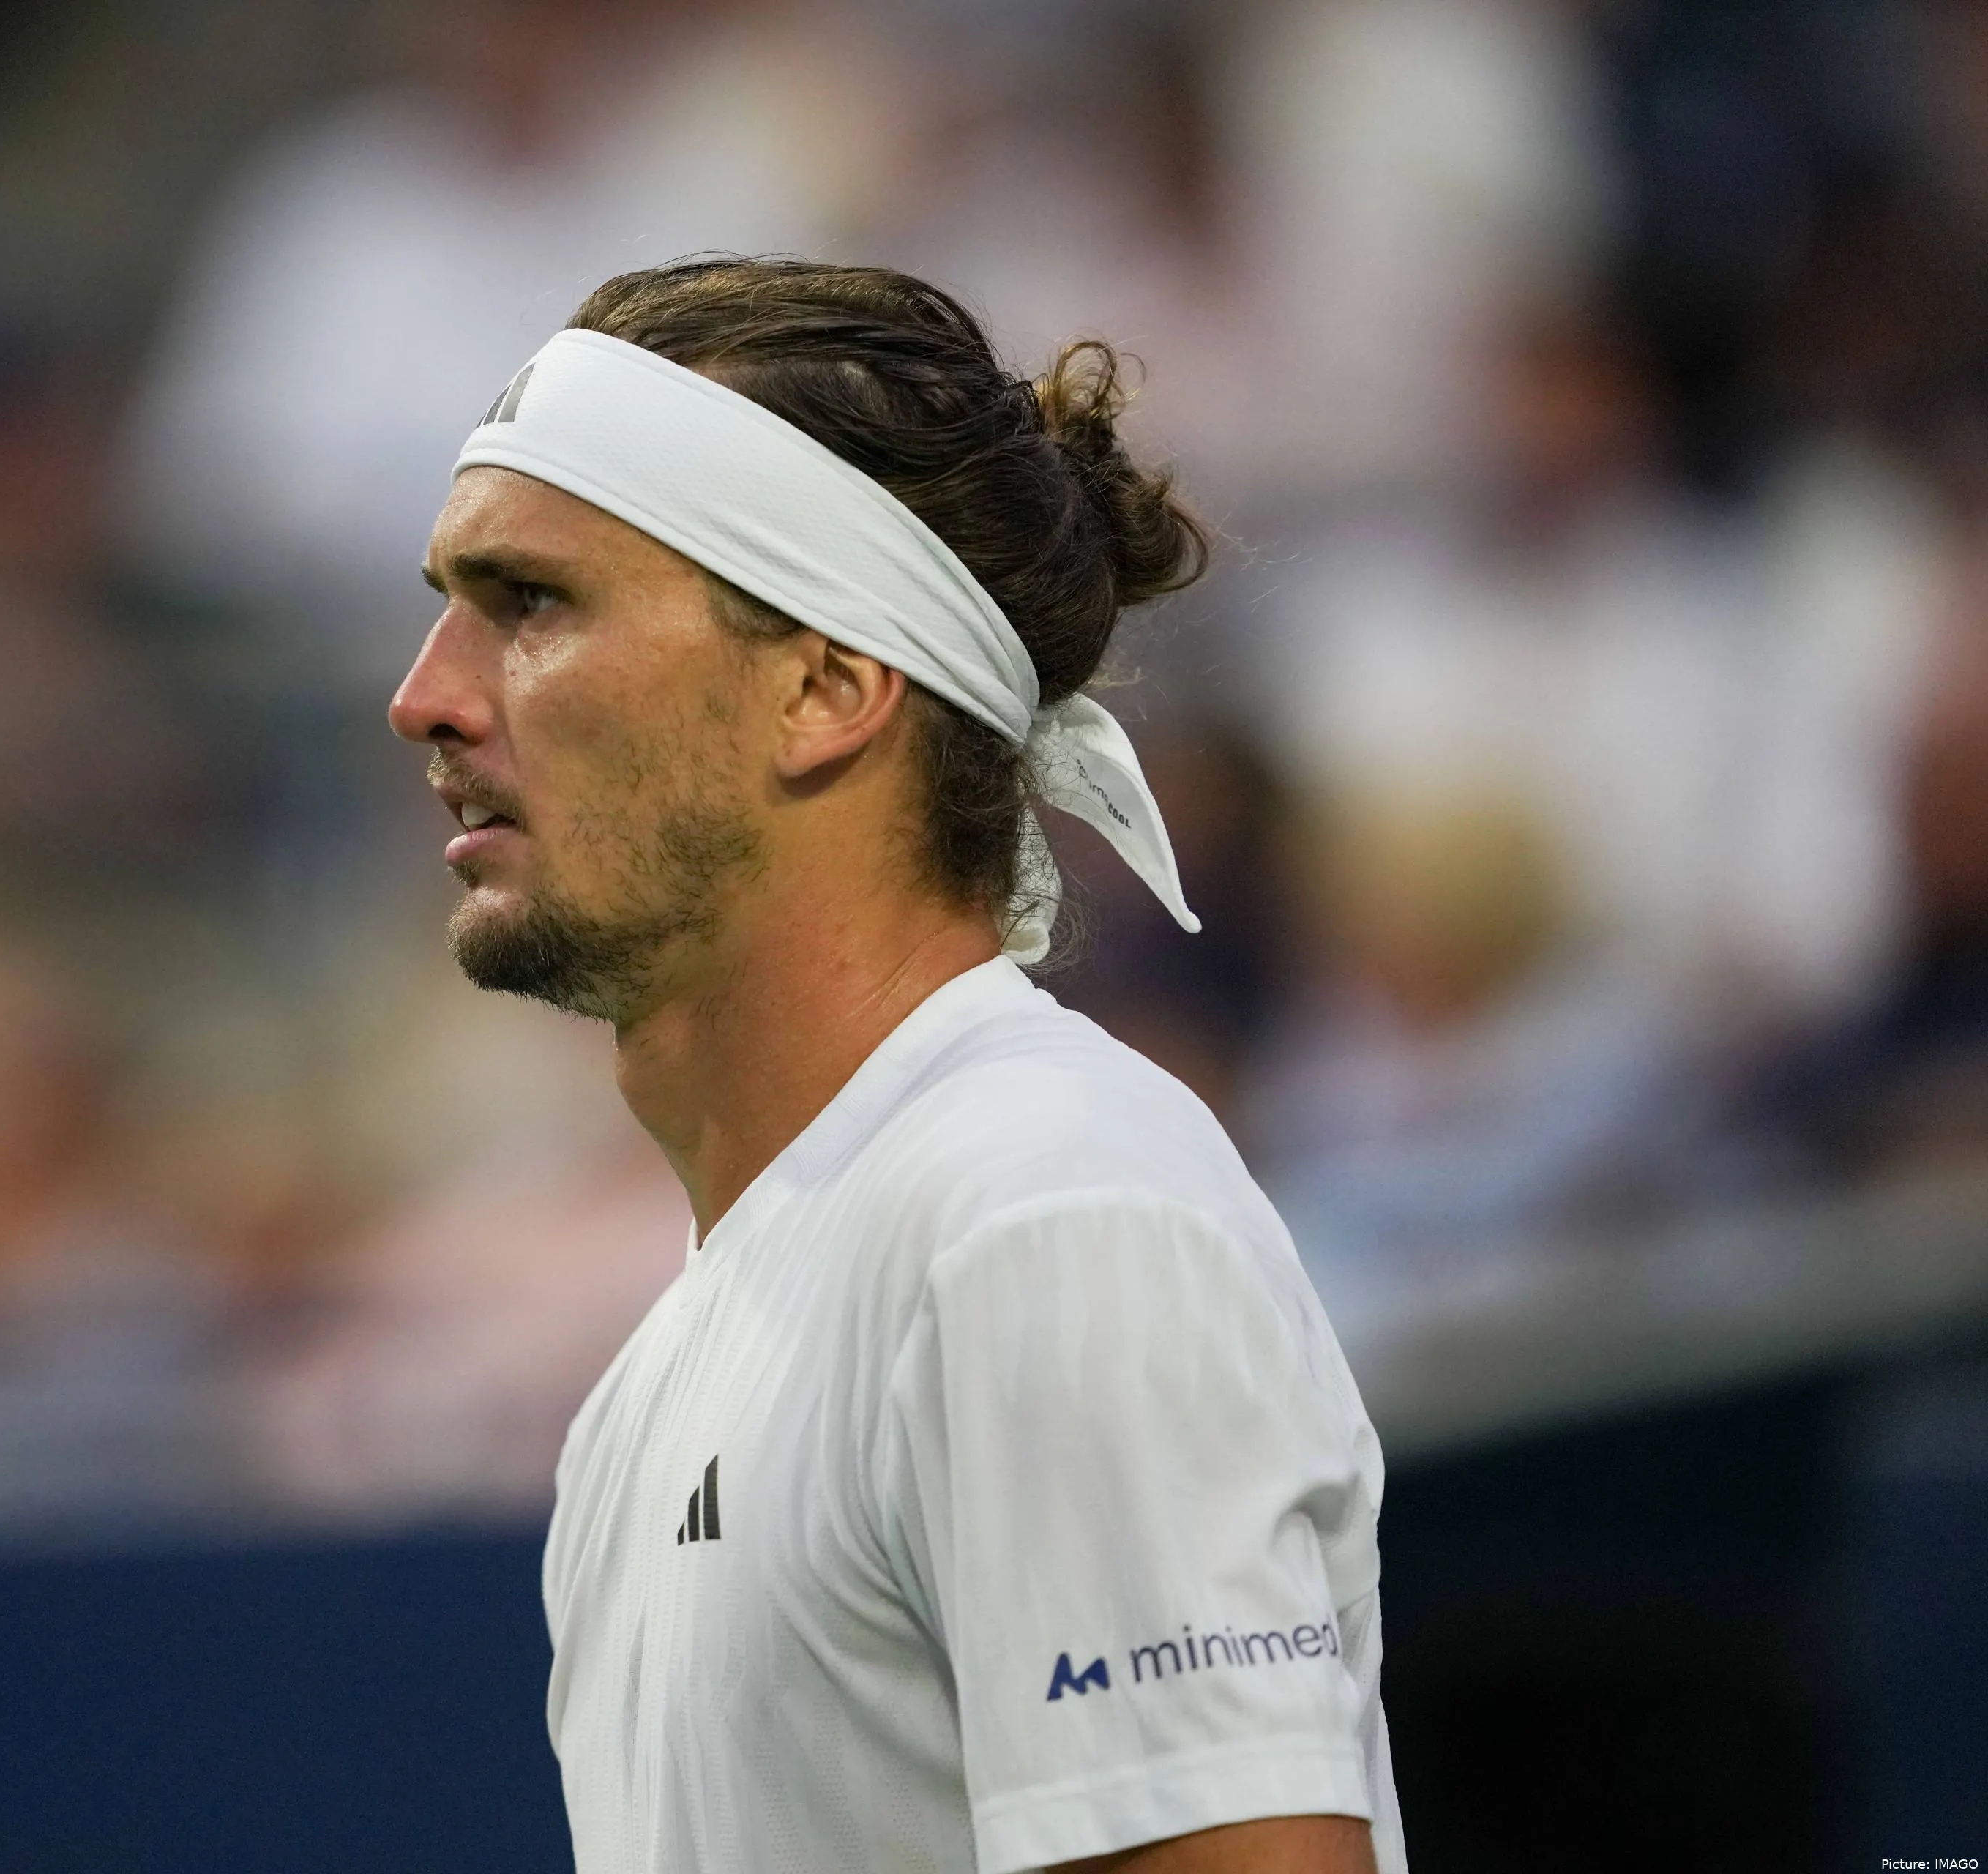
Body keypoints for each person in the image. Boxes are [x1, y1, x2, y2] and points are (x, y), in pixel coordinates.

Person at [389, 259, 1403, 1873]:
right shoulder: (656, 1390)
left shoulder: (1047, 1214)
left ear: (827, 688)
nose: (424, 696)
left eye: (533, 603)